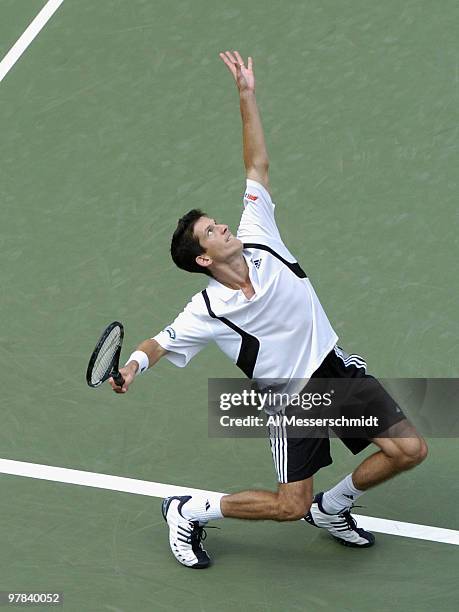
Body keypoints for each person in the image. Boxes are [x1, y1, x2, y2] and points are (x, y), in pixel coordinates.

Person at [108, 50, 428, 569]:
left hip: (335, 371)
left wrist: (246, 94)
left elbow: (256, 163)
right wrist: (131, 367)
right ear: (205, 258)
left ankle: (334, 506)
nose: (223, 227)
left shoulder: (261, 234)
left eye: (217, 221)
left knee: (409, 449)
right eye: (211, 231)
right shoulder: (209, 308)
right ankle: (189, 510)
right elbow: (159, 342)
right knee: (287, 505)